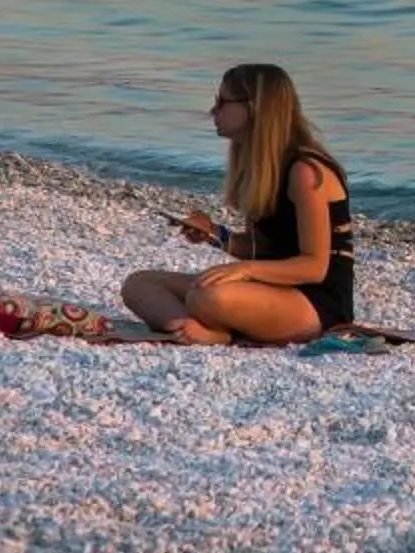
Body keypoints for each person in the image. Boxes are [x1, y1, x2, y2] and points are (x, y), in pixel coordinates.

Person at [123, 64, 357, 344]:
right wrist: (215, 235)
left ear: (254, 108)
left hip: (315, 303)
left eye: (223, 102)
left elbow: (314, 267)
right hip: (269, 288)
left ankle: (208, 330)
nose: (213, 111)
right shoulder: (260, 166)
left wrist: (244, 271)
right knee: (139, 284)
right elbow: (264, 250)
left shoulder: (305, 171)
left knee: (208, 296)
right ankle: (194, 330)